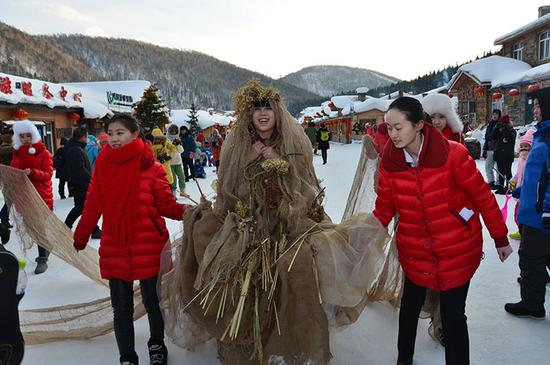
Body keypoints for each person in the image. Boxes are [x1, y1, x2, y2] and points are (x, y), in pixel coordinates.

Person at [164, 80, 335, 364]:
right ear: (249, 115)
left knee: (290, 276)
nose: (263, 113)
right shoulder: (238, 146)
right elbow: (227, 190)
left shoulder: (291, 145)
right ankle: (245, 343)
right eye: (257, 109)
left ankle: (281, 340)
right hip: (246, 226)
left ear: (278, 113)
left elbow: (305, 185)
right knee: (244, 283)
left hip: (285, 224)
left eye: (268, 107)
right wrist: (249, 162)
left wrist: (279, 162)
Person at [372, 97, 512, 365]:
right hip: (414, 250)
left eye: (398, 127)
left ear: (418, 125)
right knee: (409, 307)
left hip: (457, 248)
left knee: (453, 316)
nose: (393, 134)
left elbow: (483, 197)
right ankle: (404, 359)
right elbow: (384, 209)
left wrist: (500, 237)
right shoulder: (390, 164)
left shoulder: (453, 155)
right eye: (389, 128)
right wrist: (363, 236)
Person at [73, 114, 189, 365]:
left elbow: (165, 204)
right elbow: (92, 204)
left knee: (152, 302)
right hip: (116, 244)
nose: (114, 138)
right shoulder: (102, 167)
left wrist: (189, 213)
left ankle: (157, 345)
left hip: (148, 244)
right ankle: (127, 357)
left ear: (135, 134)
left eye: (120, 133)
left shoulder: (151, 167)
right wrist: (81, 235)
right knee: (121, 308)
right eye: (110, 133)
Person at [505, 87, 550, 319]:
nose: (535, 110)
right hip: (535, 208)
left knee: (531, 259)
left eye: (539, 106)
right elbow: (539, 174)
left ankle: (532, 305)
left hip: (540, 216)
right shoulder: (541, 134)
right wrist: (523, 189)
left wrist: (547, 210)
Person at [11, 120, 55, 274]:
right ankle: (46, 247)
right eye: (22, 136)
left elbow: (48, 174)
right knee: (32, 228)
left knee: (39, 229)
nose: (25, 139)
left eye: (28, 135)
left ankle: (42, 258)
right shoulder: (17, 153)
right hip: (24, 197)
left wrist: (33, 172)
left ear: (34, 135)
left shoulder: (44, 153)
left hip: (40, 197)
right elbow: (14, 171)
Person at [63, 127, 101, 239]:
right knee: (81, 208)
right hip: (80, 185)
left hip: (80, 184)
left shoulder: (76, 147)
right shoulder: (75, 149)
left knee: (84, 208)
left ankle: (94, 230)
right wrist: (91, 180)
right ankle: (65, 227)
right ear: (84, 136)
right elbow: (79, 170)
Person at [508, 129, 535, 240]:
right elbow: (518, 173)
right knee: (517, 213)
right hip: (519, 192)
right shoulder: (521, 160)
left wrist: (523, 189)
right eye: (522, 145)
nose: (523, 148)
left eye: (526, 146)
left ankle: (526, 232)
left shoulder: (532, 160)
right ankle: (521, 230)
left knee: (524, 214)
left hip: (527, 193)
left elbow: (532, 177)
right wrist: (513, 180)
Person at [492, 114, 517, 194]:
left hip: (507, 155)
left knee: (508, 172)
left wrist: (503, 129)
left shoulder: (512, 131)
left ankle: (509, 187)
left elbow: (508, 137)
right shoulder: (499, 130)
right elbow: (492, 137)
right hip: (500, 154)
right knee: (501, 172)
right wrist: (496, 128)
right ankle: (501, 186)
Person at [482, 110, 502, 189]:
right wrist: (484, 149)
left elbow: (498, 137)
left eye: (496, 114)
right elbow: (487, 138)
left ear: (499, 115)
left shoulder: (501, 125)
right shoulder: (490, 125)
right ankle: (491, 182)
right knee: (488, 166)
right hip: (490, 148)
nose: (494, 116)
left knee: (498, 167)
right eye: (493, 114)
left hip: (498, 149)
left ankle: (498, 183)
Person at [165, 124, 186, 197]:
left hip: (178, 162)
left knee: (182, 177)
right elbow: (166, 150)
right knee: (173, 179)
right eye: (172, 131)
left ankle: (182, 191)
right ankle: (173, 194)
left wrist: (178, 145)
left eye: (175, 131)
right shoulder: (166, 139)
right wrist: (171, 146)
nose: (174, 132)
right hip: (170, 162)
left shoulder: (177, 139)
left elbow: (181, 151)